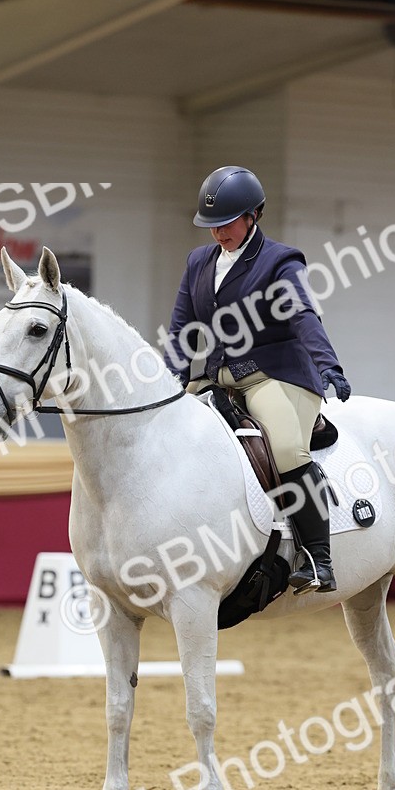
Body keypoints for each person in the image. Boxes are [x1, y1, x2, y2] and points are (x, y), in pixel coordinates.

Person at [163, 165, 351, 595]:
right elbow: (181, 331)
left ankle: (319, 559)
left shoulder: (280, 261)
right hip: (217, 380)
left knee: (285, 449)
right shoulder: (198, 262)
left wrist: (329, 366)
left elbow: (304, 316)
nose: (217, 233)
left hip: (274, 377)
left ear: (253, 216)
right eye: (211, 225)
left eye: (226, 223)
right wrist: (170, 386)